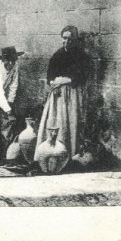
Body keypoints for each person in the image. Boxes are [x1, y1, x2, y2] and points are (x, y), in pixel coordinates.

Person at [34, 26, 90, 162]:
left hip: (72, 93)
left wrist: (65, 81)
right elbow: (50, 75)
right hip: (57, 94)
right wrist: (53, 83)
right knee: (56, 119)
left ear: (75, 40)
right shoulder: (57, 54)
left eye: (70, 39)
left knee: (71, 120)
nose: (67, 41)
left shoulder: (81, 56)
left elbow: (82, 75)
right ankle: (53, 150)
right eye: (64, 38)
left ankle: (70, 153)